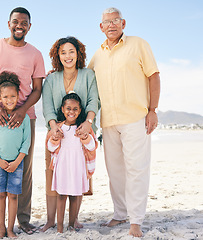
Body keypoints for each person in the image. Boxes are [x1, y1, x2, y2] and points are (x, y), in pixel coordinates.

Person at [88, 7, 161, 237]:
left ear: (123, 23)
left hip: (135, 118)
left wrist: (152, 110)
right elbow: (84, 78)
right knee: (116, 172)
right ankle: (120, 214)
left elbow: (154, 76)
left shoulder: (138, 44)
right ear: (101, 27)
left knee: (136, 170)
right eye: (107, 22)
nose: (111, 25)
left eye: (115, 21)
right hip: (108, 122)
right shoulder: (98, 54)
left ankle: (136, 221)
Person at [0, 7, 46, 235]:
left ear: (29, 27)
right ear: (8, 24)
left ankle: (23, 220)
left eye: (24, 23)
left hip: (25, 118)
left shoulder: (35, 54)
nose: (19, 26)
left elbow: (37, 90)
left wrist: (23, 110)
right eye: (16, 22)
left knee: (24, 170)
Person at [41, 36, 100, 232]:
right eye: (63, 52)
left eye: (71, 52)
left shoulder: (88, 74)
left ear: (78, 53)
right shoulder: (51, 78)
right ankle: (51, 220)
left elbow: (93, 101)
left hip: (82, 132)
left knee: (79, 177)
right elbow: (47, 105)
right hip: (57, 134)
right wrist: (53, 126)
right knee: (52, 175)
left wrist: (88, 123)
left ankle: (74, 220)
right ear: (57, 55)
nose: (68, 56)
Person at [0, 71, 31, 238]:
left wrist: (16, 162)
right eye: (5, 97)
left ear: (18, 95)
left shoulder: (23, 118)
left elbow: (26, 143)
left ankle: (11, 229)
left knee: (13, 196)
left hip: (17, 162)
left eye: (13, 96)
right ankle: (2, 229)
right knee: (0, 195)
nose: (9, 100)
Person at [46, 92, 98, 233]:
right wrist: (55, 139)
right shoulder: (58, 128)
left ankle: (72, 224)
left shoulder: (83, 128)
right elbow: (50, 148)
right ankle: (60, 227)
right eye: (68, 108)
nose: (71, 112)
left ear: (80, 110)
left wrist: (85, 137)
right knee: (62, 195)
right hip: (63, 165)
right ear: (62, 109)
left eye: (75, 109)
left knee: (75, 195)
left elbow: (92, 146)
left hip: (78, 165)